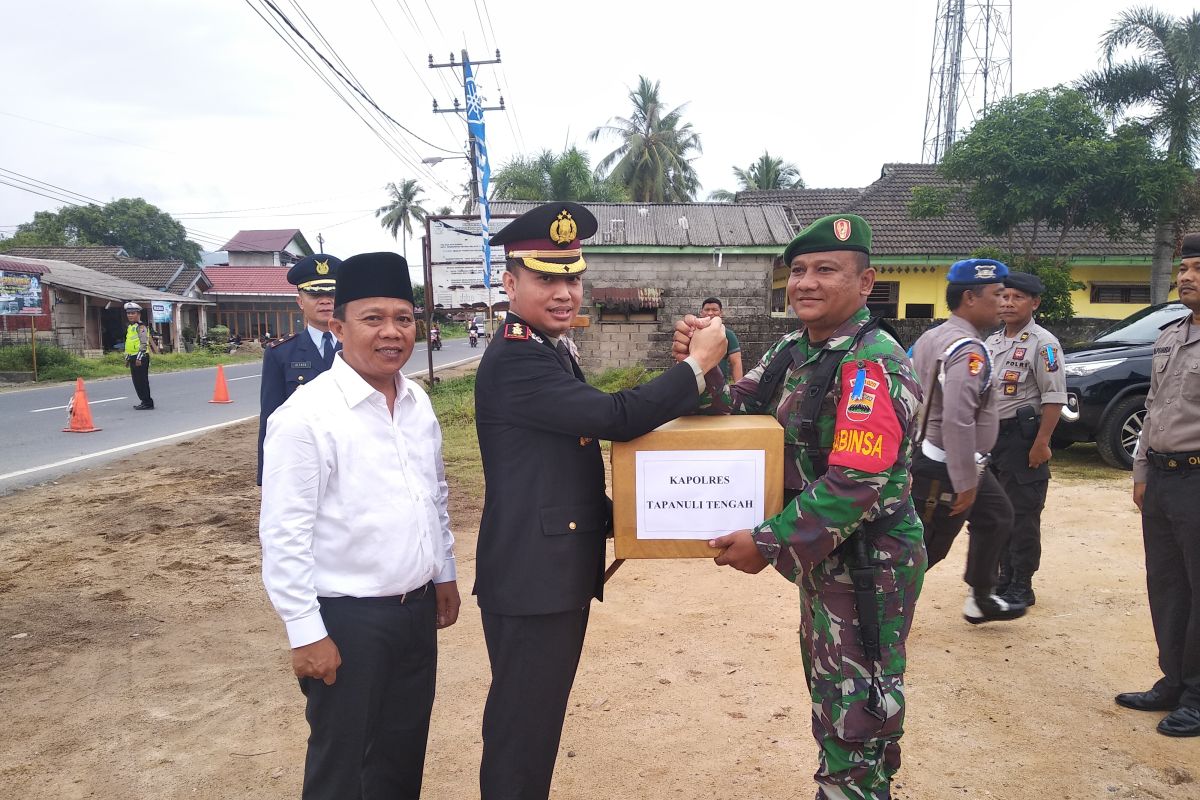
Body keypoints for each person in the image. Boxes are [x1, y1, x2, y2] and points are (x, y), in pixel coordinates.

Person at [474, 201, 728, 800]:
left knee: (534, 724)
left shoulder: (546, 345)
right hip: (532, 579)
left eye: (573, 276)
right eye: (546, 277)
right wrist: (696, 365)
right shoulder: (517, 357)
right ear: (510, 283)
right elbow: (616, 417)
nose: (565, 292)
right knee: (523, 729)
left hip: (546, 574)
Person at [677, 214, 925, 800]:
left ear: (866, 283)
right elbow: (734, 411)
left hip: (869, 563)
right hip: (825, 560)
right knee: (833, 687)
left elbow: (856, 484)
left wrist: (767, 543)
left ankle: (854, 790)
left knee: (859, 700)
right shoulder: (796, 351)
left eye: (826, 271)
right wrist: (701, 365)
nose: (806, 283)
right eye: (798, 271)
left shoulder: (871, 365)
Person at [259, 251, 460, 798]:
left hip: (415, 612)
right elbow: (284, 534)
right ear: (337, 323)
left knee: (399, 760)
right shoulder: (305, 417)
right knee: (341, 767)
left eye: (403, 317)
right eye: (373, 319)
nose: (391, 332)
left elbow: (433, 498)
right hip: (347, 621)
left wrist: (443, 573)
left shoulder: (417, 402)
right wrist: (306, 632)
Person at [909, 258, 1025, 624]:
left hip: (946, 457)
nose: (1003, 303)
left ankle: (981, 597)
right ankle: (873, 610)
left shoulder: (933, 336)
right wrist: (965, 482)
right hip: (946, 462)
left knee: (996, 516)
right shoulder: (967, 350)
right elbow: (958, 418)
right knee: (930, 546)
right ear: (970, 299)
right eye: (997, 295)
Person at [1118, 234, 1200, 737]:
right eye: (1184, 268)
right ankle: (1174, 680)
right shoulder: (1170, 334)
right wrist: (1142, 471)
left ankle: (1197, 693)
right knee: (1167, 585)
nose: (1186, 276)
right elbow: (1152, 406)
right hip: (1166, 478)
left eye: (1198, 268)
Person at [983, 272, 1066, 607]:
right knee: (997, 512)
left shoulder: (1044, 344)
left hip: (1023, 438)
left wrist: (1042, 442)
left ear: (1035, 303)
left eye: (1017, 297)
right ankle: (1002, 577)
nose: (1008, 303)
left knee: (1023, 512)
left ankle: (1022, 583)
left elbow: (1054, 397)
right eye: (1004, 297)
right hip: (993, 440)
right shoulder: (991, 343)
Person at [256, 253, 342, 485]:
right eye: (315, 294)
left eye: (332, 294)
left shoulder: (360, 348)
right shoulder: (280, 353)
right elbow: (271, 417)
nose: (325, 301)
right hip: (302, 458)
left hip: (351, 456)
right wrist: (267, 475)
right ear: (300, 302)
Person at [701, 296, 743, 382]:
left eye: (714, 310)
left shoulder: (728, 335)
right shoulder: (693, 333)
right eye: (707, 310)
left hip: (720, 388)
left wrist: (739, 388)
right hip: (696, 388)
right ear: (701, 313)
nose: (710, 313)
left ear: (721, 313)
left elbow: (736, 363)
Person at [123, 301, 154, 410]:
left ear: (138, 314)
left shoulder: (141, 327)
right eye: (128, 313)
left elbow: (143, 343)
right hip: (133, 357)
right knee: (136, 382)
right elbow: (129, 344)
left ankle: (148, 402)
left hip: (140, 358)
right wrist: (127, 358)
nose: (130, 315)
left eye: (133, 313)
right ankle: (143, 401)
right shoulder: (130, 327)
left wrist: (139, 358)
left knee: (142, 381)